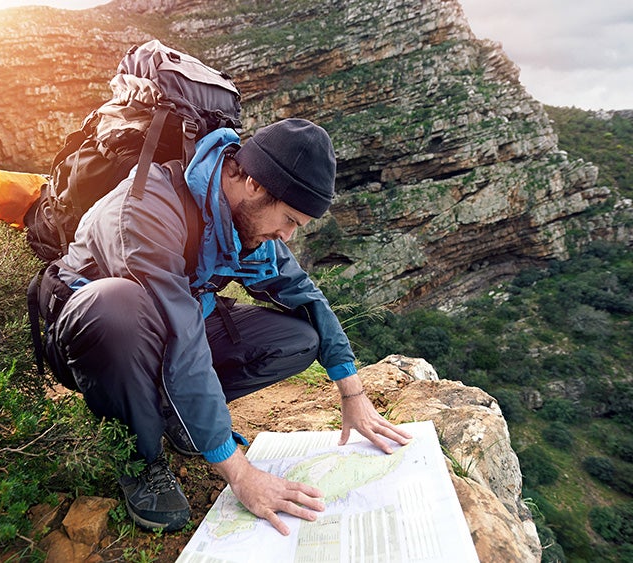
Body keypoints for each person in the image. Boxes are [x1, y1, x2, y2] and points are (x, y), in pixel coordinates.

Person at [42, 118, 412, 534]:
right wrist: (240, 473)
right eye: (289, 219)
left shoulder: (244, 221)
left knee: (298, 338)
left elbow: (304, 294)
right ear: (254, 184)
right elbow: (181, 338)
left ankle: (172, 414)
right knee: (116, 306)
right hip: (93, 336)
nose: (287, 236)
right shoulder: (148, 210)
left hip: (172, 324)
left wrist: (352, 391)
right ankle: (140, 458)